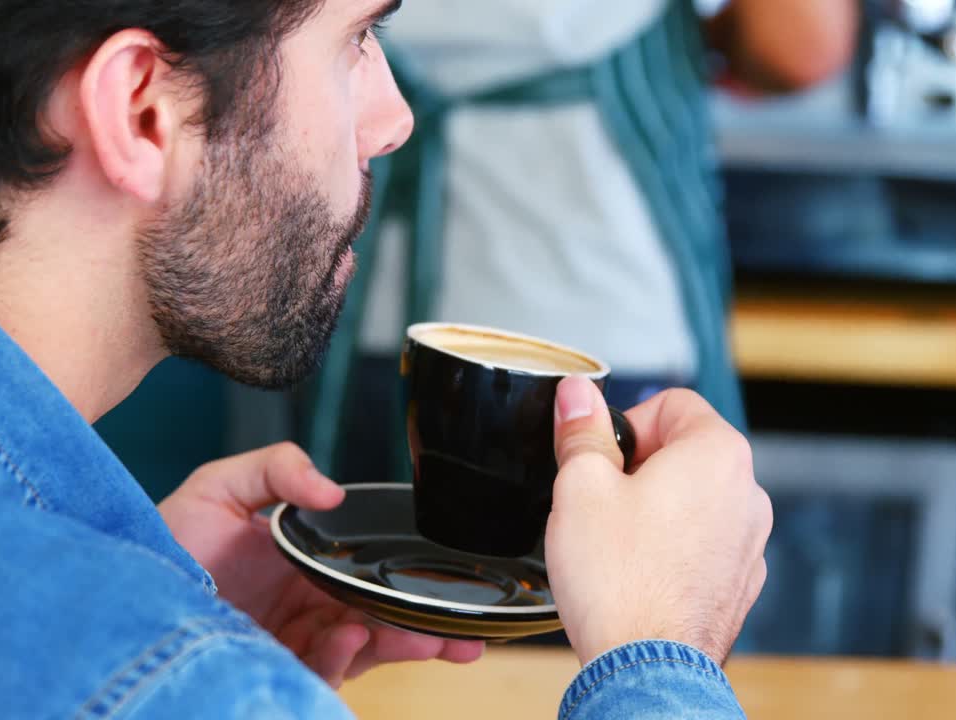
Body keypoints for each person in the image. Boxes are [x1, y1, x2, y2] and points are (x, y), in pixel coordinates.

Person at [0, 1, 770, 718]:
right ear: (143, 112)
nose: (394, 119)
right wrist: (661, 655)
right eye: (357, 40)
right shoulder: (177, 690)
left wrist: (157, 599)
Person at [304, 0, 859, 486]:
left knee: (376, 586)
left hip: (375, 304)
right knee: (621, 595)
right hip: (602, 299)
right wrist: (701, 38)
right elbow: (798, 45)